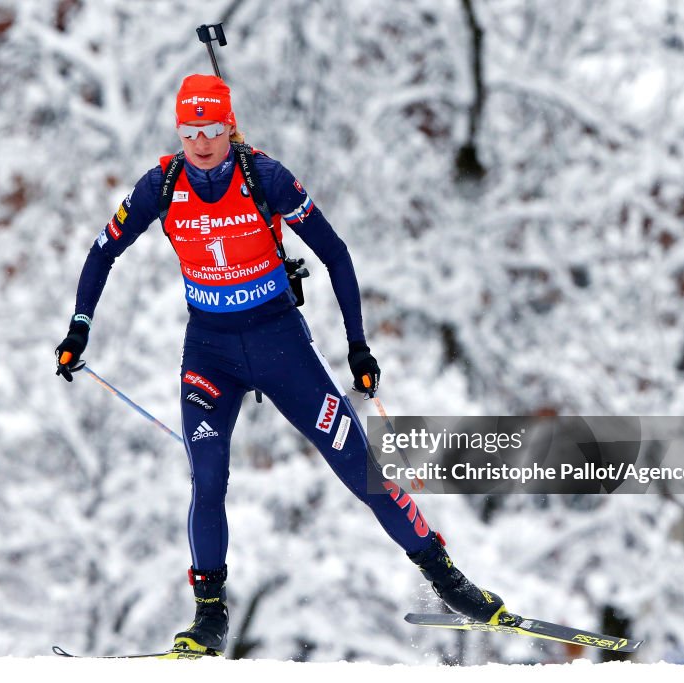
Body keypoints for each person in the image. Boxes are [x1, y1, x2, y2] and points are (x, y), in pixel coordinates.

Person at [55, 74, 509, 655]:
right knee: (209, 475)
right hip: (210, 356)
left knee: (358, 467)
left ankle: (447, 579)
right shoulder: (162, 185)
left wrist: (357, 346)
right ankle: (209, 617)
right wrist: (79, 326)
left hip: (280, 348)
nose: (201, 142)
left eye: (212, 129)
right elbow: (103, 249)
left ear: (230, 126)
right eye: (190, 131)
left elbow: (336, 252)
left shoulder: (263, 177)